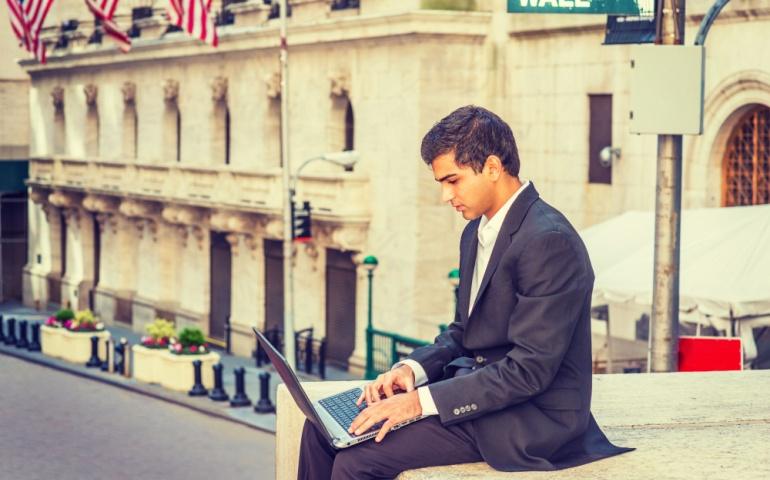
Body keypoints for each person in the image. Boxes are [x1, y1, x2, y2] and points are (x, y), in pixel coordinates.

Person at [297, 105, 632, 480]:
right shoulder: (476, 231)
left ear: (492, 168)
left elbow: (529, 371)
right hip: (482, 393)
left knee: (358, 460)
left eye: (452, 181)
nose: (445, 196)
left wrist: (418, 403)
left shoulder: (549, 241)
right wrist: (412, 369)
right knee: (320, 431)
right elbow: (464, 331)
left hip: (533, 416)